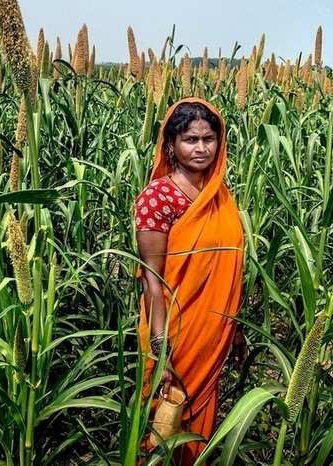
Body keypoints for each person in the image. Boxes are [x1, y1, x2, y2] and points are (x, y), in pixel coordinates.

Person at [135, 97, 247, 465]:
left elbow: (228, 269)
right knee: (162, 422)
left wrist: (236, 330)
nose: (201, 148)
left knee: (199, 424)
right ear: (171, 144)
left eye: (208, 138)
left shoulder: (220, 196)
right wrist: (162, 350)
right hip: (173, 330)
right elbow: (153, 281)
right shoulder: (157, 199)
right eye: (190, 139)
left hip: (213, 330)